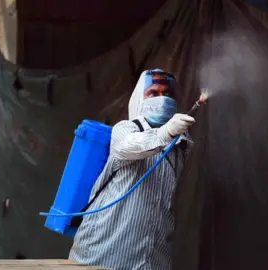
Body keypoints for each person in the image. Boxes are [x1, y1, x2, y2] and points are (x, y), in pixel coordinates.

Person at [69, 69, 195, 270]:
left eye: (167, 94)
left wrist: (172, 134)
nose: (162, 100)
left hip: (153, 257)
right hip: (102, 254)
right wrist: (166, 132)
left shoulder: (182, 144)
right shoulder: (126, 129)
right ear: (140, 98)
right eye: (153, 93)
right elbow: (129, 146)